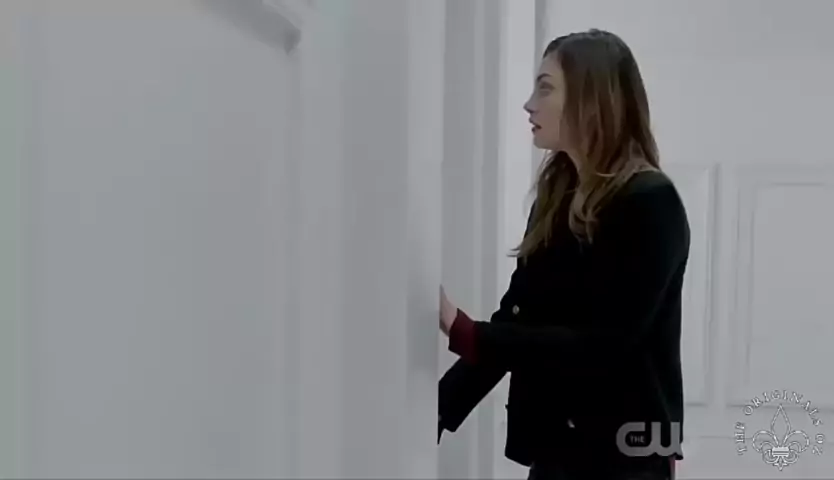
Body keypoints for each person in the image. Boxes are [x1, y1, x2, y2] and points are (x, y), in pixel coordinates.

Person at [437, 29, 689, 480]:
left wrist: (466, 331)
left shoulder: (651, 203)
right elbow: (520, 317)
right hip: (558, 451)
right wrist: (439, 407)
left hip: (627, 460)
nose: (529, 105)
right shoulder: (557, 198)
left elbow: (606, 344)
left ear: (590, 98)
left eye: (545, 88)